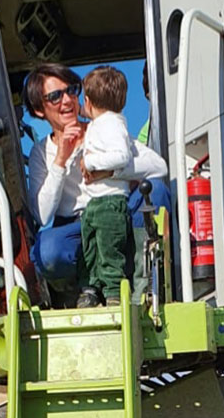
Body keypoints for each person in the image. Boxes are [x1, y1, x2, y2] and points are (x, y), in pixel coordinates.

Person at [23, 63, 170, 307]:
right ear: (40, 110)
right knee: (46, 250)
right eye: (55, 96)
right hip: (77, 227)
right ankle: (86, 290)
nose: (68, 101)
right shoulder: (41, 152)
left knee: (155, 191)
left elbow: (158, 166)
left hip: (115, 214)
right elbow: (42, 213)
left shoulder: (102, 128)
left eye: (72, 90)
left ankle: (144, 283)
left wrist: (108, 169)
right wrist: (61, 159)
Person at [77, 66, 132, 308]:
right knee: (92, 249)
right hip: (94, 201)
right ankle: (93, 289)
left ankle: (113, 293)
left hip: (110, 200)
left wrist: (89, 162)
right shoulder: (99, 125)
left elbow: (122, 156)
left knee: (110, 249)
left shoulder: (112, 124)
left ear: (87, 102)